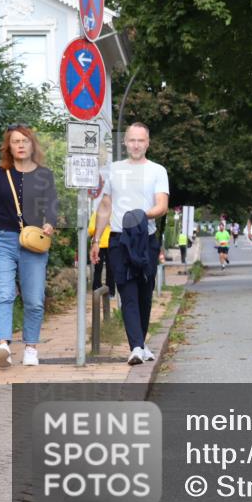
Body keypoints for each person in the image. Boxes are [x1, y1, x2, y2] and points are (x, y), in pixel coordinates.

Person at [90, 122, 169, 365]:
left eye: (141, 140)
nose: (136, 145)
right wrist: (96, 239)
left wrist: (140, 216)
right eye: (132, 140)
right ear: (124, 142)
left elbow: (162, 205)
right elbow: (105, 206)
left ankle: (141, 343)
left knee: (145, 294)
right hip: (118, 239)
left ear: (148, 143)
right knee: (127, 291)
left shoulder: (157, 170)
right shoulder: (112, 170)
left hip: (145, 237)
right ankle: (135, 346)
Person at [0, 124, 58, 368]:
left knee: (34, 300)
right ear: (9, 147)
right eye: (15, 141)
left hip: (34, 242)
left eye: (25, 141)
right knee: (4, 292)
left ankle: (31, 347)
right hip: (2, 240)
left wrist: (50, 223)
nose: (20, 145)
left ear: (32, 144)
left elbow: (52, 204)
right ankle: (3, 345)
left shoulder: (44, 174)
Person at [88, 210, 115, 297]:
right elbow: (91, 229)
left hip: (105, 244)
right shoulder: (99, 213)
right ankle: (104, 290)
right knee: (104, 268)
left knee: (103, 268)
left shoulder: (98, 214)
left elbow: (91, 229)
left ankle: (102, 289)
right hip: (102, 244)